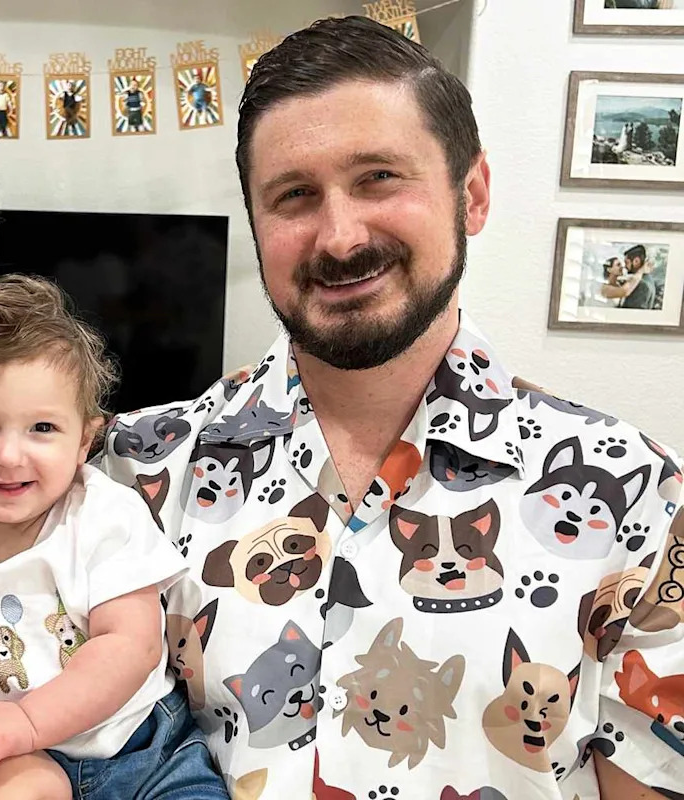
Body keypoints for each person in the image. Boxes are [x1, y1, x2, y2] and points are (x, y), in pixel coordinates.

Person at [100, 16, 684, 800]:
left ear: (472, 195)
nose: (340, 238)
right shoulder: (134, 475)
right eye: (294, 196)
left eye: (379, 177)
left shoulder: (637, 499)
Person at [0, 275, 228, 800]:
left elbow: (131, 646)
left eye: (42, 429)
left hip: (145, 752)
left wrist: (28, 720)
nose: (9, 456)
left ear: (84, 441)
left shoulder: (103, 515)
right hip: (14, 761)